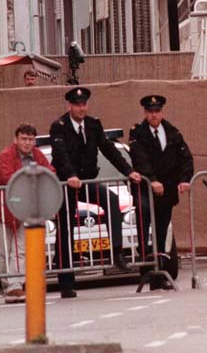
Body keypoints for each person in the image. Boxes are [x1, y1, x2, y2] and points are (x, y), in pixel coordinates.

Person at [49, 87, 141, 298]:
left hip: (87, 181)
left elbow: (108, 150)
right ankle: (66, 281)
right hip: (66, 183)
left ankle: (117, 252)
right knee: (66, 228)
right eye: (77, 105)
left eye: (84, 104)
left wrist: (128, 171)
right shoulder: (59, 126)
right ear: (69, 106)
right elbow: (60, 155)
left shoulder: (93, 125)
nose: (81, 108)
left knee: (111, 199)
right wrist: (71, 176)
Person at [128, 95, 194, 290]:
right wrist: (152, 179)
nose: (154, 115)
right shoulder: (138, 133)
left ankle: (160, 275)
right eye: (150, 112)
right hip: (146, 190)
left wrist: (184, 179)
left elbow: (185, 158)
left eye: (156, 111)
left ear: (161, 112)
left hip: (166, 192)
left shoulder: (172, 132)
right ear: (145, 113)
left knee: (162, 232)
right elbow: (140, 159)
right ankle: (147, 271)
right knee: (144, 229)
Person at [0, 123, 54, 304]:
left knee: (20, 250)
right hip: (3, 209)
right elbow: (8, 177)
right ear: (15, 140)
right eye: (24, 139)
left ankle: (14, 286)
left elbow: (50, 172)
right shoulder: (6, 155)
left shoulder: (38, 155)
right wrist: (33, 180)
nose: (27, 143)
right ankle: (8, 283)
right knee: (4, 251)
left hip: (25, 210)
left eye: (30, 139)